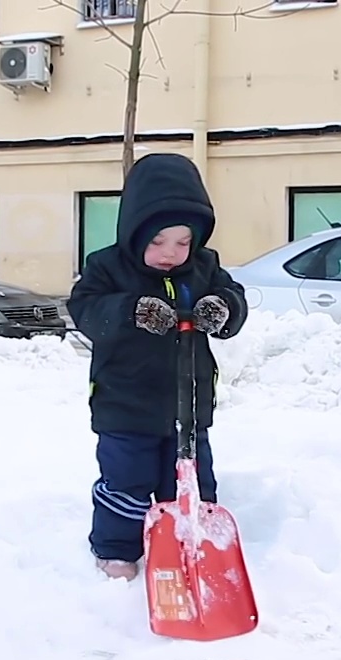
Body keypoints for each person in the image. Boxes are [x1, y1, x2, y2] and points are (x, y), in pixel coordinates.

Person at [66, 152, 248, 581]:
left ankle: (192, 545)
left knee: (192, 482)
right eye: (158, 241)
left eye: (183, 242)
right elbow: (86, 308)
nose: (171, 253)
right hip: (126, 405)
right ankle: (117, 550)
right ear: (135, 231)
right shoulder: (107, 266)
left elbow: (235, 299)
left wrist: (221, 308)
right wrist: (133, 311)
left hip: (190, 406)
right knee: (126, 483)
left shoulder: (205, 268)